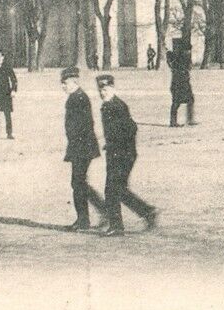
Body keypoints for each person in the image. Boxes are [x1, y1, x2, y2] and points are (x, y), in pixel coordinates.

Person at [96, 73, 156, 236]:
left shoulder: (117, 106)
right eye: (100, 90)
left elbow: (131, 129)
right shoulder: (107, 105)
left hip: (122, 154)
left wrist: (117, 145)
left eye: (106, 89)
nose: (103, 92)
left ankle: (117, 226)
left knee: (112, 189)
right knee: (119, 189)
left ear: (113, 88)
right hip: (118, 153)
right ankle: (147, 212)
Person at [61, 67, 105, 231]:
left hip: (82, 147)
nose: (63, 86)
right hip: (80, 146)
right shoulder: (76, 97)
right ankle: (89, 216)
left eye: (65, 83)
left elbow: (85, 125)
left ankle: (85, 219)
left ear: (74, 82)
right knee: (79, 182)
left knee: (78, 182)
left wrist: (77, 146)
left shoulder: (78, 98)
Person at [167, 37, 196, 127]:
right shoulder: (177, 58)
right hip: (177, 84)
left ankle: (190, 119)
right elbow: (172, 64)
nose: (188, 52)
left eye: (189, 51)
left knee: (190, 100)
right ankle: (173, 122)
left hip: (185, 83)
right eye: (187, 51)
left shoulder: (185, 58)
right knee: (176, 102)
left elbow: (188, 68)